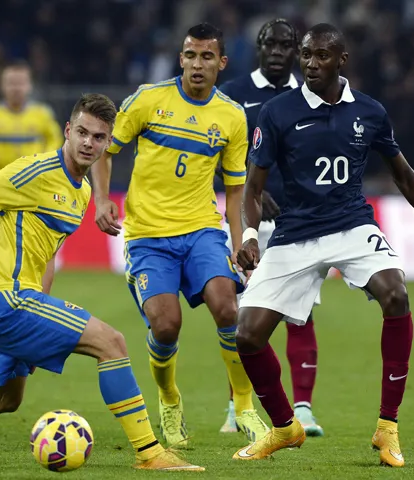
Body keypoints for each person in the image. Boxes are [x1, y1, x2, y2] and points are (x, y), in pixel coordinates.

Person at [0, 94, 203, 472]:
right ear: (67, 130)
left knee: (1, 400)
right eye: (82, 132)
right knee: (112, 343)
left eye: (98, 137)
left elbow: (48, 253)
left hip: (17, 301)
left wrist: (40, 317)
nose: (88, 143)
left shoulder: (81, 192)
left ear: (108, 143)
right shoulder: (31, 171)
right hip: (1, 296)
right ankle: (150, 452)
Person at [232, 23, 414, 467]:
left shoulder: (370, 112)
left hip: (351, 225)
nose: (311, 64)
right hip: (294, 232)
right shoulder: (278, 112)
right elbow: (254, 185)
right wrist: (249, 235)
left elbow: (404, 175)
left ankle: (387, 427)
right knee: (246, 335)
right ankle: (284, 427)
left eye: (322, 55)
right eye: (306, 55)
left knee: (396, 293)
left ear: (342, 60)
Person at [91, 23, 269, 447]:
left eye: (207, 57)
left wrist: (240, 242)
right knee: (167, 325)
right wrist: (101, 200)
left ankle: (245, 406)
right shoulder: (148, 100)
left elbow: (235, 190)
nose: (197, 64)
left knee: (227, 307)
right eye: (190, 55)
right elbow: (104, 150)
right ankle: (169, 397)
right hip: (148, 236)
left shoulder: (231, 116)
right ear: (181, 59)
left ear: (221, 63)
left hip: (201, 230)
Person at [218, 18, 323, 438]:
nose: (277, 51)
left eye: (285, 45)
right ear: (258, 48)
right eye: (269, 44)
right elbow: (217, 153)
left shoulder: (313, 94)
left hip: (299, 221)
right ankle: (238, 407)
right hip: (248, 221)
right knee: (243, 314)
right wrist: (253, 194)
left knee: (301, 312)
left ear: (297, 51)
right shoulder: (234, 94)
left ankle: (304, 409)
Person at [0, 61, 63, 222]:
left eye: (21, 83)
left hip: (33, 187)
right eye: (11, 83)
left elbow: (56, 139)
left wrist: (45, 158)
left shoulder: (42, 114)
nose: (16, 88)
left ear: (29, 86)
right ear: (2, 86)